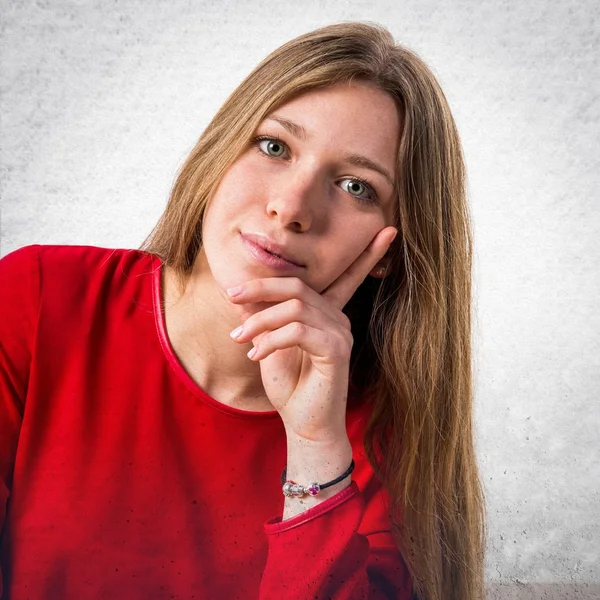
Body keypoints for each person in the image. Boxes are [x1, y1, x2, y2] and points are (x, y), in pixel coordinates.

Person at [0, 22, 486, 600]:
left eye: (356, 186)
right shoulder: (37, 298)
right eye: (274, 146)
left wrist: (313, 448)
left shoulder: (386, 439)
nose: (291, 208)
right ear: (219, 151)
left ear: (388, 250)